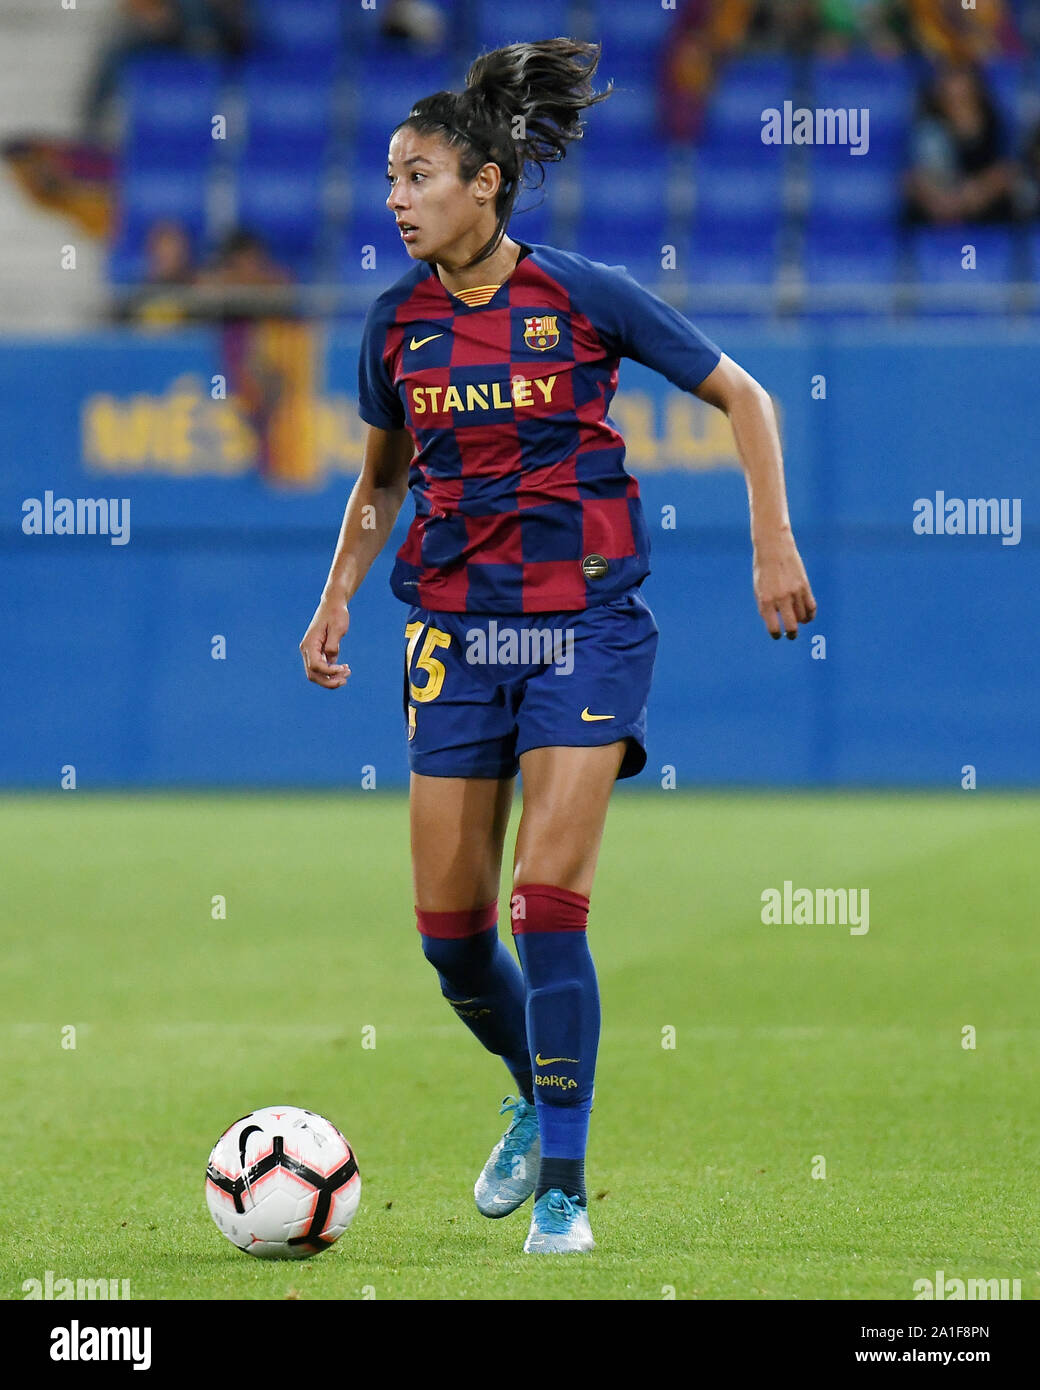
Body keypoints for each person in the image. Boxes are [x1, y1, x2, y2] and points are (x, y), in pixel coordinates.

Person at [299, 38, 816, 1255]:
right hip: (452, 636)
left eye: (417, 175)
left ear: (484, 181)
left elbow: (748, 396)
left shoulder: (581, 296)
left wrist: (772, 543)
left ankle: (565, 1198)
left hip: (583, 628)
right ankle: (536, 1093)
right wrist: (335, 595)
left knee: (547, 909)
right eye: (388, 178)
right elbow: (381, 479)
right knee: (449, 939)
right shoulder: (394, 329)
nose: (395, 199)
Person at [904, 63, 1017, 224]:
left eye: (961, 78)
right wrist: (941, 202)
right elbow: (912, 179)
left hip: (985, 208)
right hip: (938, 208)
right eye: (950, 78)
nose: (957, 90)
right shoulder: (927, 128)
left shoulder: (996, 124)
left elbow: (1007, 171)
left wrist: (970, 196)